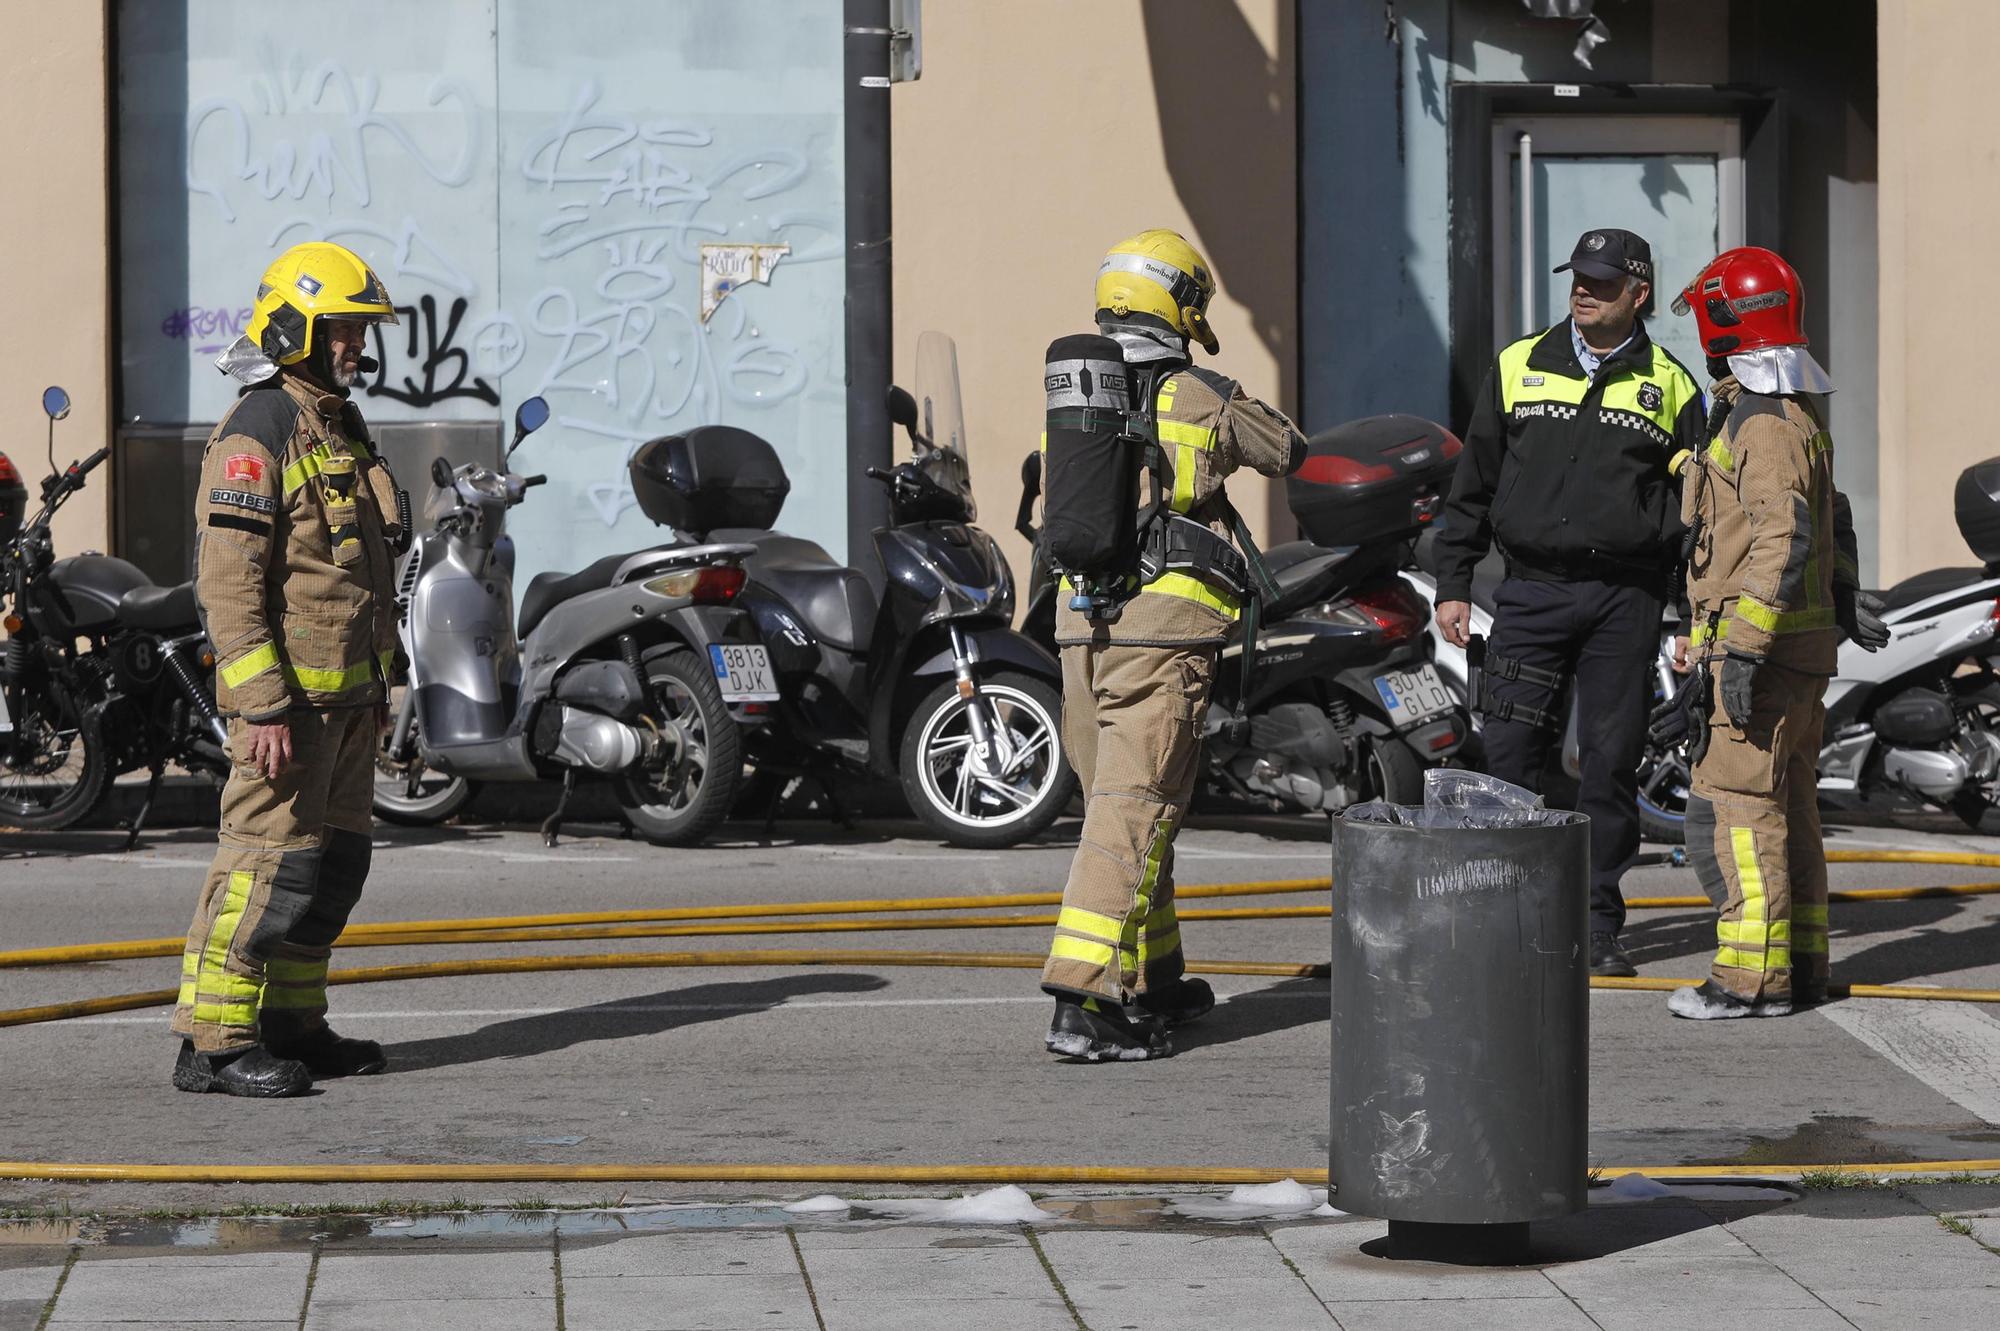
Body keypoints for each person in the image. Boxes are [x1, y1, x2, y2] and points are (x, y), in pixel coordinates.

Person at [1040, 229, 1304, 1061]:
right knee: (1136, 806)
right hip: (1163, 631)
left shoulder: (1078, 399)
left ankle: (1152, 978)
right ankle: (1082, 1002)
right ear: (1178, 305)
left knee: (1124, 806)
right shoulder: (1195, 392)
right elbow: (1286, 447)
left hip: (1082, 625)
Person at [1433, 227, 1706, 979]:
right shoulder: (1518, 364)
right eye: (1577, 278)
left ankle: (1595, 923)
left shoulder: (1676, 388)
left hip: (1628, 599)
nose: (1583, 291)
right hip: (1530, 592)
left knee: (1610, 763)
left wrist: (1691, 616)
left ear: (1639, 294)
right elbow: (1474, 486)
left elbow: (1697, 519)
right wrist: (1454, 581)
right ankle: (1511, 914)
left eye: (1602, 282)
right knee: (1511, 753)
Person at [171, 241, 407, 1095]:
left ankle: (293, 1024)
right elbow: (230, 583)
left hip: (345, 701)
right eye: (341, 326)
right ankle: (215, 1041)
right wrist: (263, 704)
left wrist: (381, 686)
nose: (354, 342)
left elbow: (357, 575)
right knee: (263, 867)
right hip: (289, 708)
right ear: (296, 327)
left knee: (329, 869)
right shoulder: (258, 428)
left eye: (357, 328)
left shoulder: (337, 421)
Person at [1668, 246, 1878, 1017]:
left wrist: (1743, 649)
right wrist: (1845, 595)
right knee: (1787, 805)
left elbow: (1781, 536)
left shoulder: (1760, 420)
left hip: (1763, 652)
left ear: (1724, 322)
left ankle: (1749, 978)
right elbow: (1834, 517)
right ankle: (1801, 962)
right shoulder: (1794, 414)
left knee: (1734, 806)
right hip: (1799, 653)